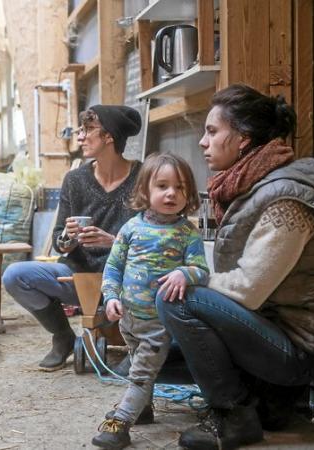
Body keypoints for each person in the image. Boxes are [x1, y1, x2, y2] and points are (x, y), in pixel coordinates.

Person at [156, 84, 314, 450]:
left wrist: (193, 276)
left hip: (306, 351)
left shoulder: (287, 198)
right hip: (282, 332)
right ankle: (266, 404)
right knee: (154, 357)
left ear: (242, 139)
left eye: (212, 131)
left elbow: (249, 290)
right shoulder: (251, 188)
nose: (203, 142)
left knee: (177, 299)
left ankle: (233, 416)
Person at [2, 105, 143, 371]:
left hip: (130, 281)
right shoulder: (75, 180)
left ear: (109, 136)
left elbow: (156, 241)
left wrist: (113, 241)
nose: (79, 137)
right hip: (80, 278)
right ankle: (63, 337)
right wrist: (69, 238)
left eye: (88, 130)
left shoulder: (144, 177)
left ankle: (141, 348)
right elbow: (58, 240)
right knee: (15, 275)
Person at [91, 153, 209, 449]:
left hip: (159, 323)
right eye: (163, 186)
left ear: (189, 195)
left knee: (142, 371)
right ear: (145, 191)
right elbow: (114, 267)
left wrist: (185, 273)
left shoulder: (186, 233)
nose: (172, 193)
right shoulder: (130, 228)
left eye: (180, 188)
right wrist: (111, 297)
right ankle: (142, 407)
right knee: (136, 367)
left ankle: (121, 422)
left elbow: (201, 270)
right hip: (129, 319)